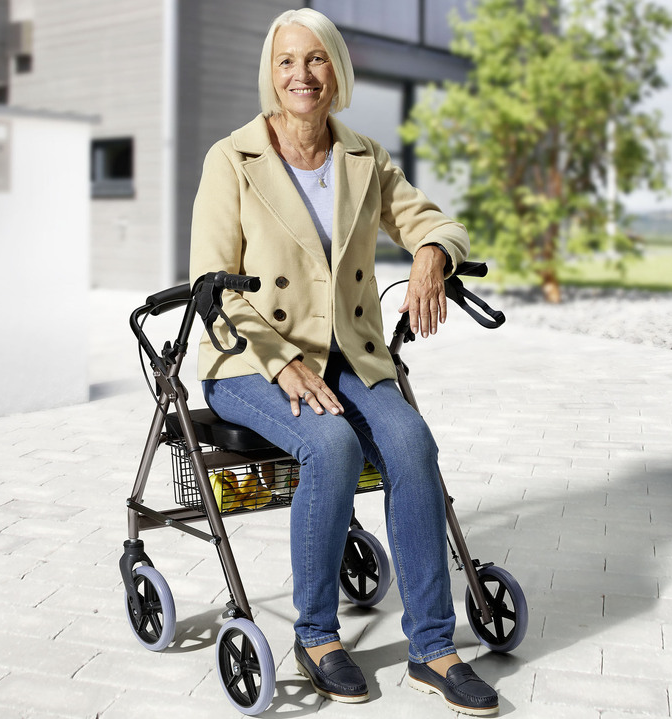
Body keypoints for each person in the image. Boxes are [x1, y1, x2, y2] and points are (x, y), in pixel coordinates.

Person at [190, 8, 498, 716]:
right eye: (287, 61)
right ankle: (317, 635)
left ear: (337, 70)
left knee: (412, 443)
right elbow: (212, 283)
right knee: (329, 445)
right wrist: (278, 365)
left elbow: (436, 221)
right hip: (249, 361)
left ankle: (432, 645)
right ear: (271, 74)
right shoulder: (230, 158)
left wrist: (429, 253)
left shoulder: (363, 155)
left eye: (316, 60)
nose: (302, 75)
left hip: (349, 353)